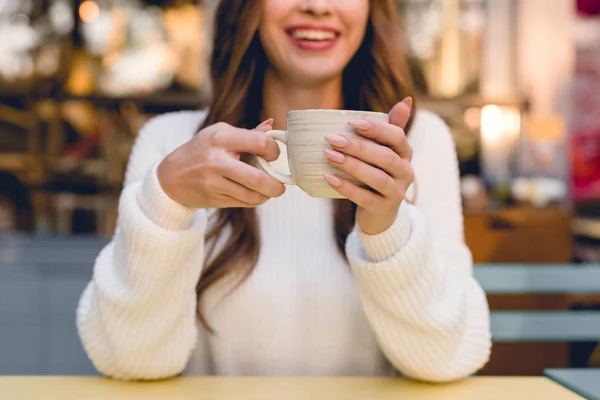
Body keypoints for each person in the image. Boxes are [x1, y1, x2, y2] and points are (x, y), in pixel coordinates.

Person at [76, 0, 491, 382]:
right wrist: (163, 205)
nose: (315, 6)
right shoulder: (172, 144)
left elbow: (445, 360)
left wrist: (386, 228)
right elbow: (128, 362)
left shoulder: (420, 142)